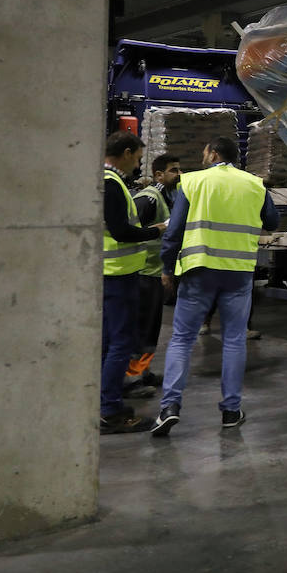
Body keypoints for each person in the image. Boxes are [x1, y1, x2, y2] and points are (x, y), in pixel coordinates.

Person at [151, 137, 278, 435]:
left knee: (182, 338)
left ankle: (170, 407)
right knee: (234, 340)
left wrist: (168, 268)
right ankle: (231, 410)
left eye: (204, 151)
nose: (202, 155)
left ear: (214, 154)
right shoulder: (254, 185)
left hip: (199, 270)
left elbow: (174, 231)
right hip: (238, 272)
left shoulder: (192, 182)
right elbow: (271, 222)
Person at [99, 132, 164, 434]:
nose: (138, 165)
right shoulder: (111, 184)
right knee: (120, 343)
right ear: (125, 153)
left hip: (112, 273)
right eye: (138, 158)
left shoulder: (107, 180)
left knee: (108, 342)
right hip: (118, 275)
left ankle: (101, 402)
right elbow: (122, 231)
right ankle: (110, 410)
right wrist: (157, 231)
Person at [125, 154, 182, 399]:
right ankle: (131, 379)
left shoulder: (165, 197)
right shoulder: (148, 199)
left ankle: (143, 370)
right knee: (142, 329)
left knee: (151, 328)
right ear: (159, 175)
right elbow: (134, 234)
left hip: (154, 271)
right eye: (173, 170)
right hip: (144, 273)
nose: (178, 175)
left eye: (179, 170)